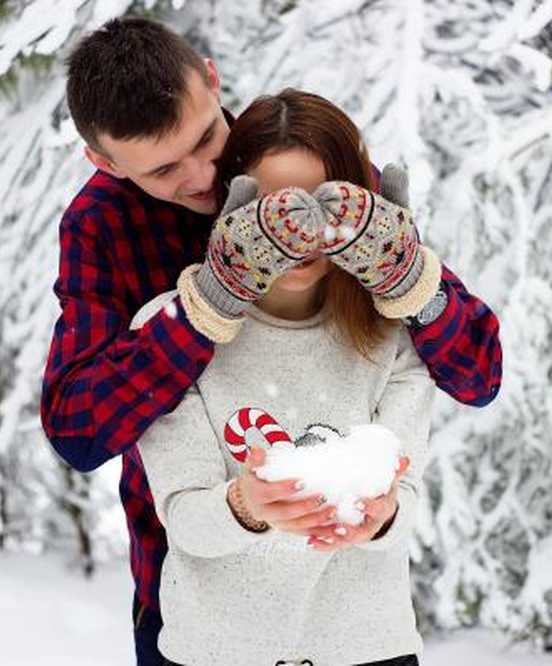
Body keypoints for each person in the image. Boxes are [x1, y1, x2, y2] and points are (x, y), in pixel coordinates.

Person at [40, 16, 503, 665]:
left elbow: (477, 373)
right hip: (195, 599)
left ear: (211, 76)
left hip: (350, 614)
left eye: (206, 139)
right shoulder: (104, 226)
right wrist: (206, 309)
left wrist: (409, 279)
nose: (202, 175)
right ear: (105, 162)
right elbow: (78, 429)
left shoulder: (293, 160)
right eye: (164, 169)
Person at [135, 88, 433, 666]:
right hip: (215, 652)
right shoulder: (172, 330)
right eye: (277, 207)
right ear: (234, 208)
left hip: (368, 649)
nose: (300, 233)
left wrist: (382, 516)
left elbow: (409, 501)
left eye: (325, 207)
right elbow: (185, 519)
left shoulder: (392, 333)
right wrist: (247, 506)